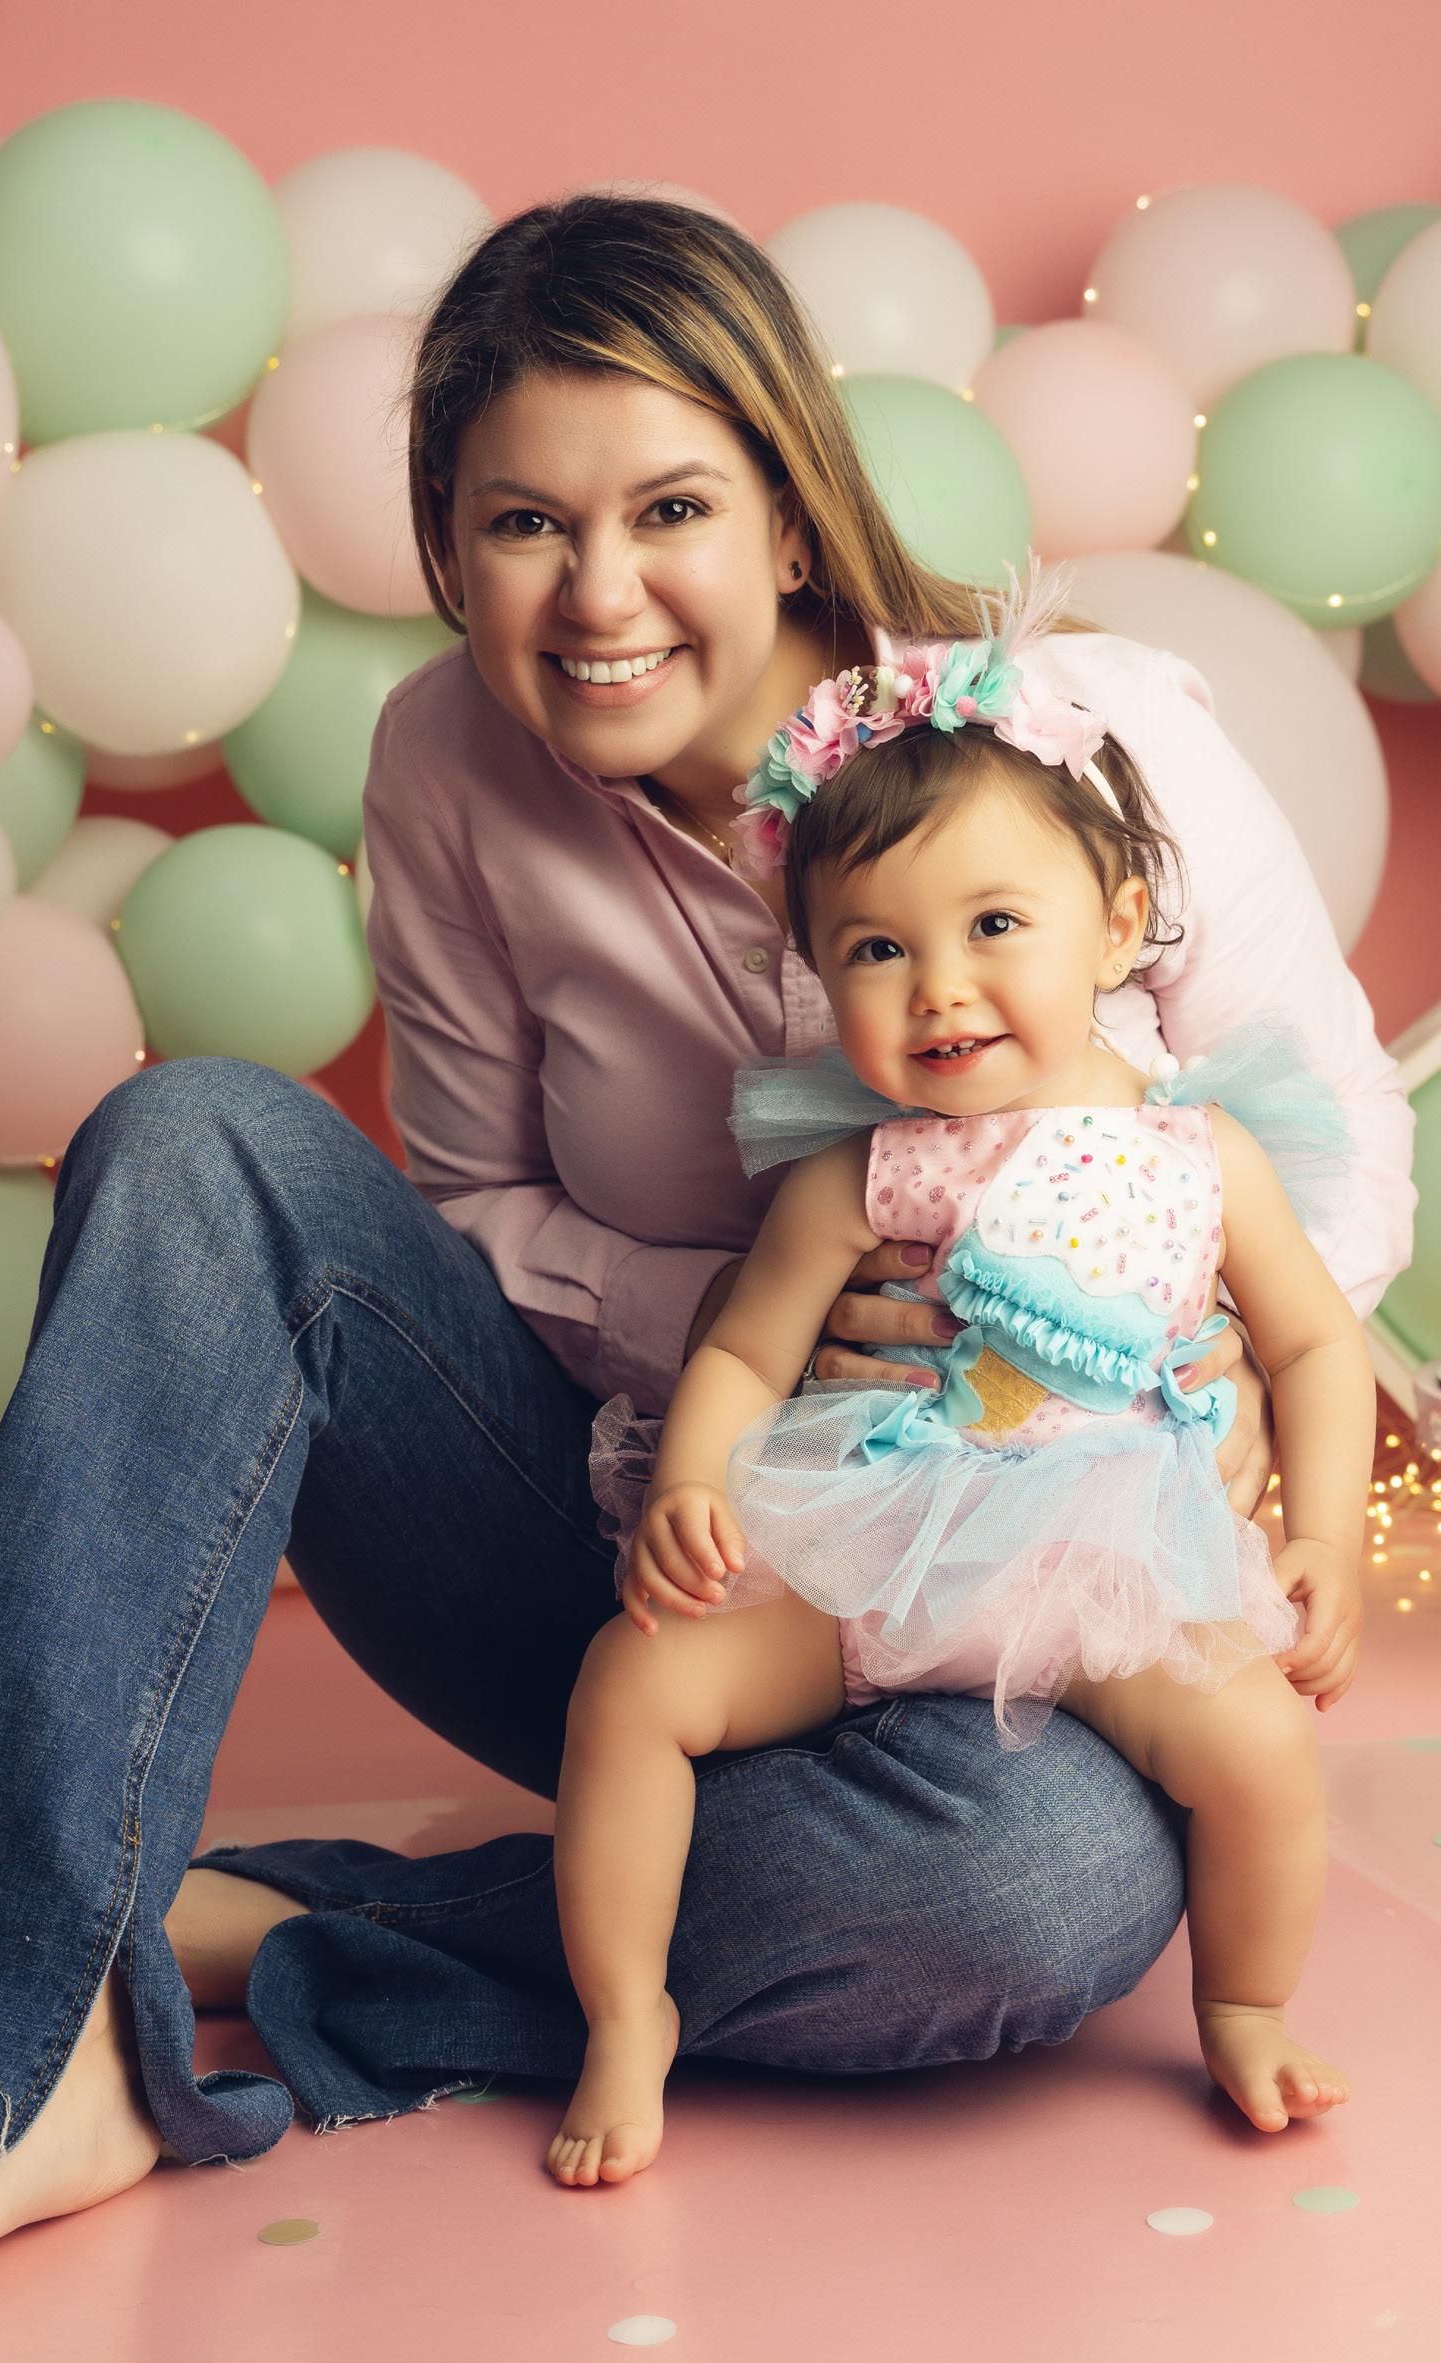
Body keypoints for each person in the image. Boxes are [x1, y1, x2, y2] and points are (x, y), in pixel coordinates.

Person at [0, 195, 1415, 2363]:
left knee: (1019, 1898)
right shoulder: (445, 763)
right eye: (522, 524)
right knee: (199, 1137)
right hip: (664, 1562)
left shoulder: (1085, 733)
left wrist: (1221, 1357)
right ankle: (6, 2061)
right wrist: (741, 1321)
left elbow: (1342, 1149)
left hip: (1044, 1583)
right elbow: (472, 1208)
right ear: (448, 547)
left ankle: (269, 1945)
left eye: (669, 510)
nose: (598, 596)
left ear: (788, 506)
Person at [545, 569, 1370, 2191]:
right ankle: (627, 2013)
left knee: (1263, 1748)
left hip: (1111, 1567)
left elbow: (1312, 1342)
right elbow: (746, 1348)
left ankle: (1246, 2003)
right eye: (876, 948)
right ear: (817, 970)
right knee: (629, 1689)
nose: (936, 986)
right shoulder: (861, 1172)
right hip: (877, 1543)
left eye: (994, 926)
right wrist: (694, 1483)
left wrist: (1324, 1537)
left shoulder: (1198, 1151)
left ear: (1113, 925)